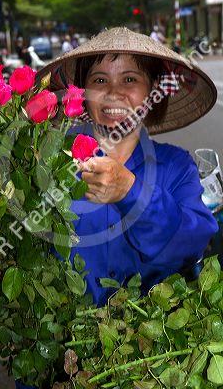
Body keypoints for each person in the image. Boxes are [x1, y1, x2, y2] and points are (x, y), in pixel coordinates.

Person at [37, 26, 218, 307]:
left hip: (150, 342)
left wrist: (131, 193)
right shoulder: (51, 159)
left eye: (130, 79)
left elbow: (190, 244)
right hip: (63, 339)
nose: (113, 93)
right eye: (99, 80)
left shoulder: (176, 167)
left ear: (152, 91)